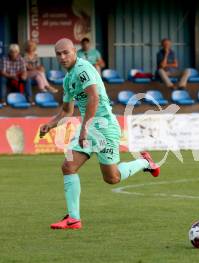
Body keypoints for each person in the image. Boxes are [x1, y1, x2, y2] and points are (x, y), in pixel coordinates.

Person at [40, 38, 160, 230]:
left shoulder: (83, 69)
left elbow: (93, 97)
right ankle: (74, 219)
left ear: (74, 52)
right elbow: (67, 111)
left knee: (112, 178)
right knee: (68, 167)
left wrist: (85, 128)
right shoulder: (68, 78)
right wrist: (50, 125)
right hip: (89, 126)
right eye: (58, 54)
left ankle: (145, 162)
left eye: (66, 52)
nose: (62, 57)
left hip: (104, 127)